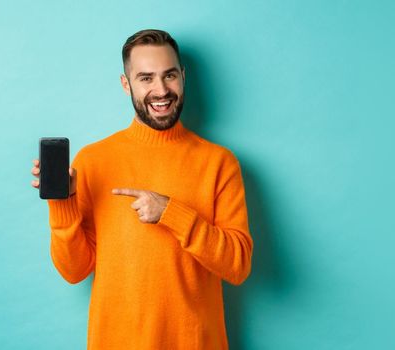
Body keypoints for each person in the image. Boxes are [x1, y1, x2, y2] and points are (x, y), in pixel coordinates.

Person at [30, 29, 253, 349]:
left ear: (183, 77)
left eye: (169, 75)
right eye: (146, 78)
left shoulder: (219, 162)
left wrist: (172, 212)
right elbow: (74, 271)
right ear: (126, 84)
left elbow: (238, 265)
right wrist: (61, 203)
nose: (161, 90)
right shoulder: (93, 160)